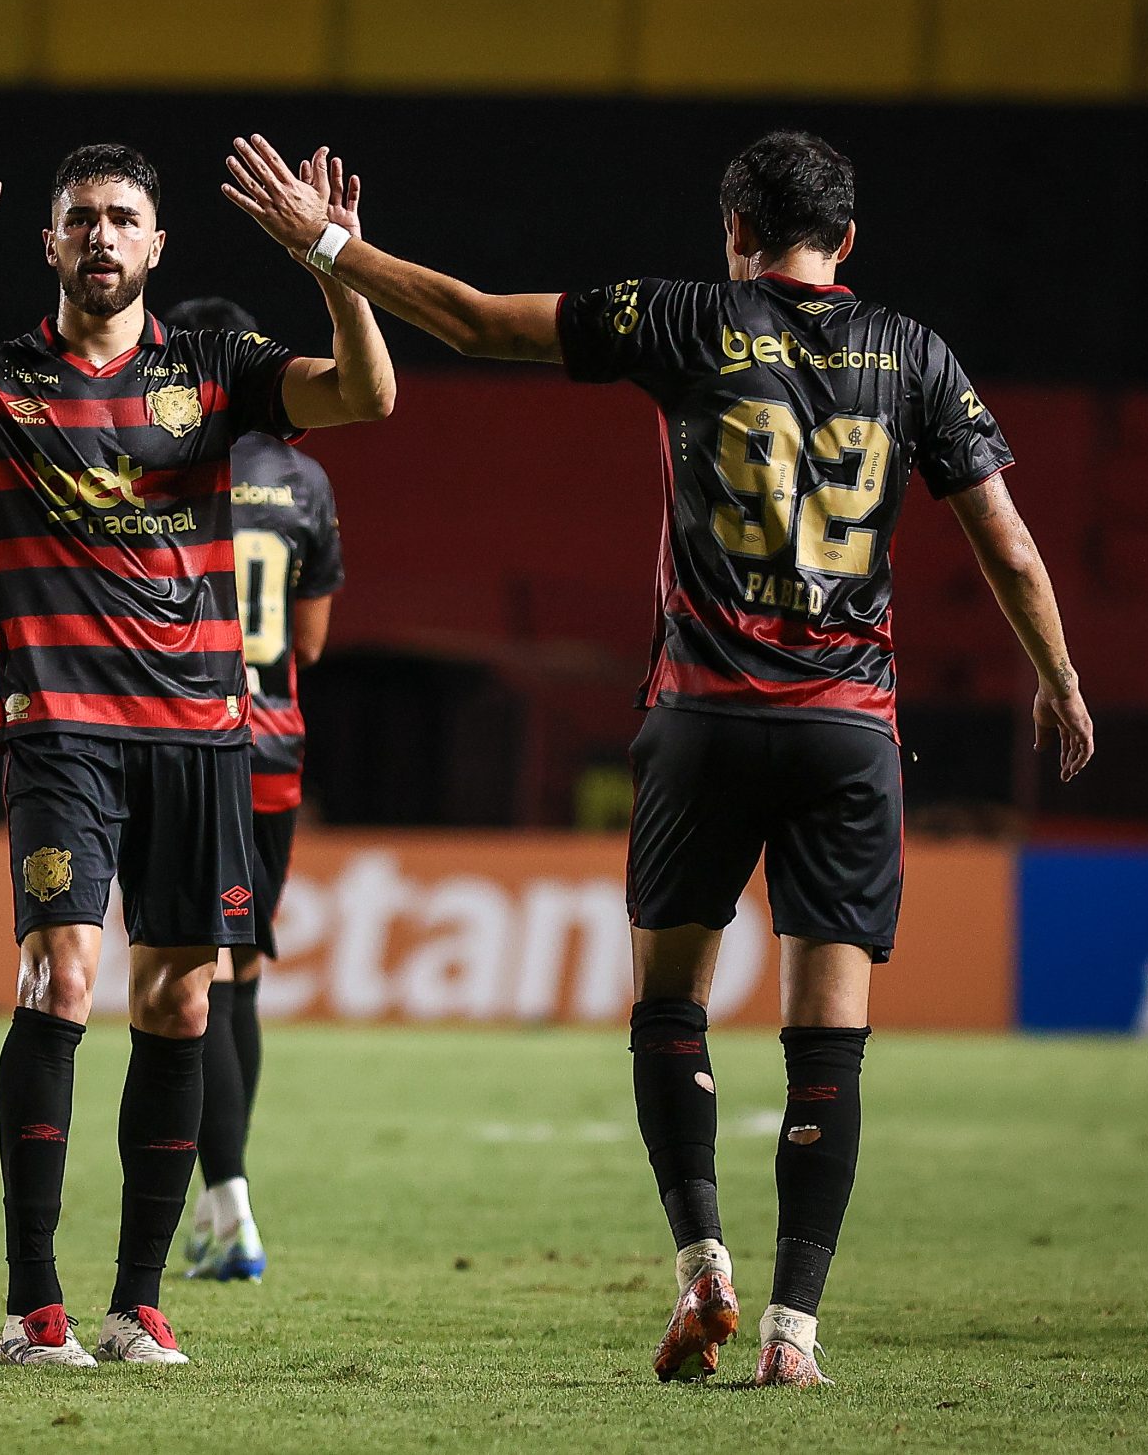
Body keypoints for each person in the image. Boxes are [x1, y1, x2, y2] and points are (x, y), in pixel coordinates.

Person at [223, 128, 1095, 1386]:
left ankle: (702, 1265)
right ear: (845, 242)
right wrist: (1058, 679)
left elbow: (471, 322)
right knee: (826, 1042)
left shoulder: (683, 319)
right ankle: (794, 1334)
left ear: (731, 231)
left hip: (703, 724)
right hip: (849, 733)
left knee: (670, 1008)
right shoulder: (914, 355)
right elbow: (1010, 551)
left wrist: (323, 243)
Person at [0, 144, 394, 1367]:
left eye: (125, 219)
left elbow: (370, 395)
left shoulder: (215, 371)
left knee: (179, 996)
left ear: (158, 246)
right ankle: (31, 1306)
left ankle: (135, 1304)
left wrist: (331, 258)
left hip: (200, 737)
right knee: (60, 979)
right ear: (50, 245)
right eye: (81, 221)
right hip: (62, 729)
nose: (103, 237)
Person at [161, 296, 346, 1285]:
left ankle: (226, 1207)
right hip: (276, 749)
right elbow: (308, 643)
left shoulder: (167, 458)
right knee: (241, 977)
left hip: (192, 743)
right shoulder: (306, 479)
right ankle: (223, 1202)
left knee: (195, 977)